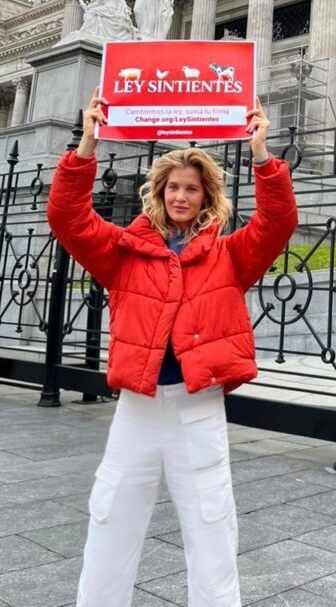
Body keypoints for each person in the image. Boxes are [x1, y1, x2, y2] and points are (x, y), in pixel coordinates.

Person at [47, 89, 298, 607]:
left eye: (192, 189)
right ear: (158, 194)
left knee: (211, 528)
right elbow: (68, 221)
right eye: (173, 189)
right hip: (137, 411)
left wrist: (261, 156)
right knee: (111, 518)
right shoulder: (124, 253)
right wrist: (87, 145)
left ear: (207, 198)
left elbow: (277, 225)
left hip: (195, 407)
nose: (181, 197)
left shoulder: (228, 256)